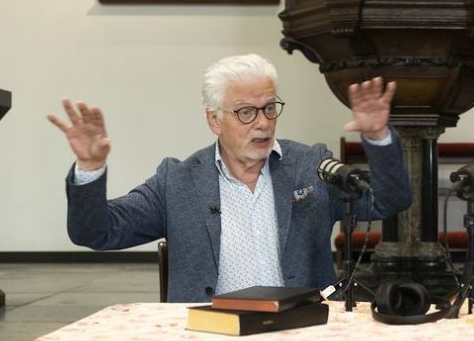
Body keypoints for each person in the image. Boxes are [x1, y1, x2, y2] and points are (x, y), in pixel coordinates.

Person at [48, 54, 413, 302]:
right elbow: (95, 232)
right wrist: (90, 169)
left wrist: (377, 138)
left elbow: (389, 200)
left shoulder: (310, 165)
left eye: (270, 107)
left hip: (302, 333)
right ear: (214, 120)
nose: (263, 122)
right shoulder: (177, 181)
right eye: (245, 112)